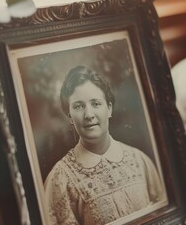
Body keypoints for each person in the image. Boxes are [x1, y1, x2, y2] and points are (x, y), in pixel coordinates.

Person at [44, 66, 166, 225]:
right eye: (78, 106)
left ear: (109, 108)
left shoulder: (140, 161)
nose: (89, 115)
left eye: (95, 103)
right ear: (70, 116)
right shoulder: (60, 179)